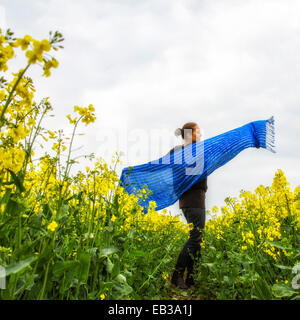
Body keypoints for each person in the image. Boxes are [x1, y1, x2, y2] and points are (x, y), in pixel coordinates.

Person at [166, 122, 208, 290]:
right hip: (191, 200)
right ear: (190, 134)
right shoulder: (178, 152)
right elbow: (176, 173)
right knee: (195, 238)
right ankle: (177, 277)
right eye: (198, 132)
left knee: (198, 240)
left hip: (198, 198)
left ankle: (191, 278)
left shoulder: (197, 151)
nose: (201, 136)